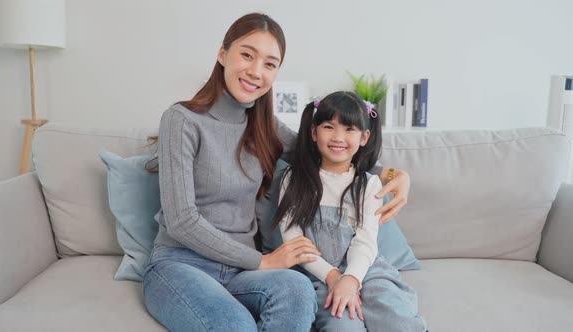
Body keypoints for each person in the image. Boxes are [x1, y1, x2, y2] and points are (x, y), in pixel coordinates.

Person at [143, 12, 412, 332]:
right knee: (237, 325)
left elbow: (321, 153)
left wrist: (393, 175)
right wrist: (263, 262)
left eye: (270, 63)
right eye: (247, 54)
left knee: (298, 291)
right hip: (180, 264)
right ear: (222, 54)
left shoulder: (263, 125)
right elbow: (181, 221)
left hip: (240, 272)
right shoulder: (182, 119)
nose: (256, 71)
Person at [275, 91, 427, 331]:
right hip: (319, 273)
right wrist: (334, 277)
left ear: (364, 137)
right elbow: (294, 241)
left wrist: (351, 279)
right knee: (342, 326)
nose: (338, 137)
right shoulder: (293, 179)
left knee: (397, 319)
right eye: (328, 127)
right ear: (314, 132)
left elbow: (366, 241)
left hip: (367, 269)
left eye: (349, 129)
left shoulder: (369, 185)